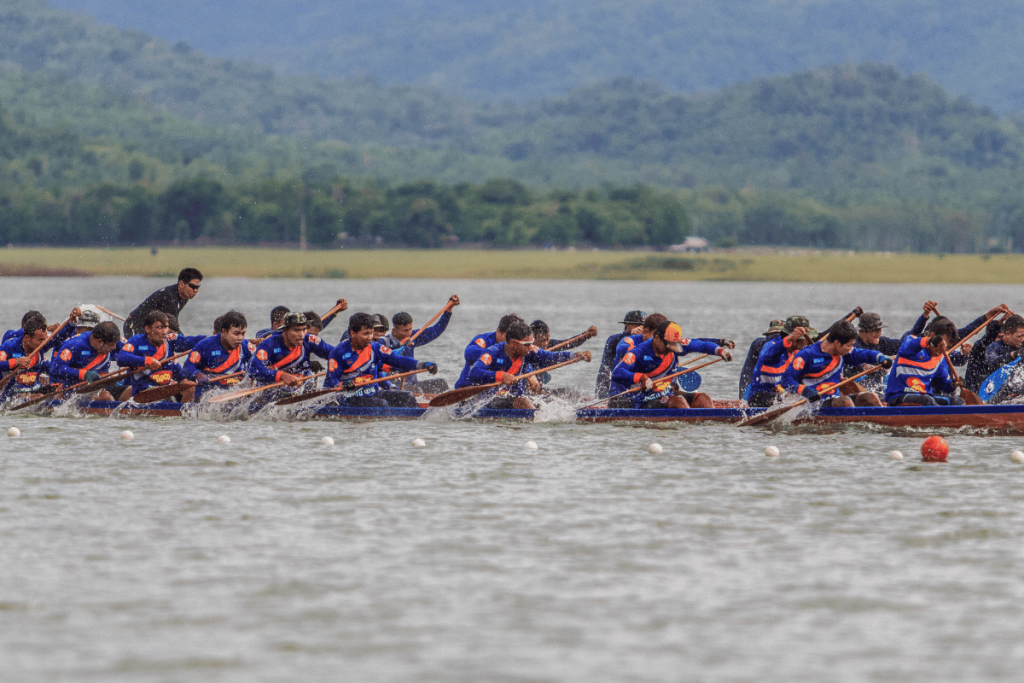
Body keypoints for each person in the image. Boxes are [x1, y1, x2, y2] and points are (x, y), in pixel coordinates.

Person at [467, 320, 590, 410]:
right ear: (512, 343)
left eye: (531, 343)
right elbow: (474, 373)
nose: (531, 347)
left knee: (550, 400)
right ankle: (536, 422)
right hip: (490, 400)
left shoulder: (528, 351)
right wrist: (500, 376)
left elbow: (550, 357)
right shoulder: (493, 352)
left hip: (516, 397)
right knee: (521, 401)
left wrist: (575, 356)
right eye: (526, 344)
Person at [323, 312, 437, 408]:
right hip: (349, 396)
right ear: (352, 333)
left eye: (371, 333)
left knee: (407, 396)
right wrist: (354, 384)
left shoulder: (375, 347)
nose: (370, 337)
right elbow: (332, 383)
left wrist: (422, 365)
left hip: (372, 393)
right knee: (381, 404)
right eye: (366, 334)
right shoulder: (338, 352)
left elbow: (397, 359)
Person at [611, 320, 732, 409]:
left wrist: (720, 351)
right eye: (668, 345)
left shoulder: (676, 344)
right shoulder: (638, 352)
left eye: (674, 345)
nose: (671, 350)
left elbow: (702, 345)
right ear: (657, 338)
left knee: (704, 398)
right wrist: (640, 377)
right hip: (643, 400)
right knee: (678, 402)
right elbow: (617, 373)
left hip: (667, 395)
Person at [781, 320, 890, 408]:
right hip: (813, 403)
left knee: (871, 397)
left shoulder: (844, 352)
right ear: (837, 343)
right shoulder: (806, 355)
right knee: (846, 402)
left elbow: (865, 354)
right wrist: (804, 390)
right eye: (849, 345)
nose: (851, 348)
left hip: (834, 400)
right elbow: (786, 379)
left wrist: (881, 359)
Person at [378, 295, 460, 392]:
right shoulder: (383, 342)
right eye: (405, 330)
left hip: (412, 386)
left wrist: (448, 310)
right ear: (395, 330)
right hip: (392, 388)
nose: (408, 333)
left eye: (410, 329)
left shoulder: (413, 336)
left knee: (441, 384)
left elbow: (437, 330)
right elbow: (383, 359)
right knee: (410, 392)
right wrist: (400, 345)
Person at [115, 311, 196, 402]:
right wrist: (147, 361)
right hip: (140, 390)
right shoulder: (137, 341)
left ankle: (183, 413)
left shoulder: (169, 344)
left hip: (161, 388)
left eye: (166, 327)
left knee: (191, 388)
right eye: (160, 327)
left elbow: (193, 341)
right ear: (147, 329)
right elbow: (121, 358)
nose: (165, 332)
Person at [884, 316, 963, 406]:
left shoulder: (940, 358)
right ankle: (941, 418)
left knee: (957, 401)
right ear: (932, 336)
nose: (942, 350)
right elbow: (910, 343)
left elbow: (942, 384)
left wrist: (953, 384)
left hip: (924, 396)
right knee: (927, 400)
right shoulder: (910, 343)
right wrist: (929, 341)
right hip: (899, 396)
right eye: (940, 345)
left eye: (946, 347)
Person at [0, 313, 80, 402]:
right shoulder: (9, 347)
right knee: (40, 397)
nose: (43, 343)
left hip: (33, 390)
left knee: (62, 389)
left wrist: (72, 322)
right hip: (11, 395)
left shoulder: (40, 345)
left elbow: (59, 336)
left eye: (44, 339)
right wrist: (16, 362)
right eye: (40, 340)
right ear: (27, 338)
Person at [249, 312, 333, 395]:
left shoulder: (310, 340)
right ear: (284, 330)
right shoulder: (269, 344)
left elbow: (336, 355)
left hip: (301, 387)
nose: (302, 334)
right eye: (297, 330)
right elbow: (253, 369)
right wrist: (281, 375)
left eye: (304, 329)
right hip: (272, 390)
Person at [180, 311, 254, 401]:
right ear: (224, 332)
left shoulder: (246, 346)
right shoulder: (205, 345)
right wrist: (197, 374)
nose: (240, 338)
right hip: (209, 395)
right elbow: (187, 367)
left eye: (243, 333)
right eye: (236, 333)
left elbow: (259, 364)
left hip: (236, 392)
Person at [743, 317, 816, 408]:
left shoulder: (796, 354)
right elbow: (765, 355)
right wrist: (789, 339)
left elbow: (789, 380)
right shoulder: (772, 344)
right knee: (786, 399)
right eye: (804, 338)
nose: (806, 341)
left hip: (779, 394)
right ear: (795, 339)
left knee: (812, 396)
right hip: (759, 397)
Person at [50, 321, 124, 402]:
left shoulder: (110, 339)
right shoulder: (74, 345)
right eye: (111, 345)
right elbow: (55, 369)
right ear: (99, 342)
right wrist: (83, 374)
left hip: (102, 385)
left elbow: (126, 352)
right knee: (105, 396)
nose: (114, 347)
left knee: (130, 390)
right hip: (75, 389)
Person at [124, 267, 203, 336]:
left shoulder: (184, 296)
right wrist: (186, 342)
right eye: (192, 286)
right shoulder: (170, 298)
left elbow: (172, 323)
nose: (195, 290)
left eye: (197, 287)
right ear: (181, 284)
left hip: (150, 327)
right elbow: (173, 327)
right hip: (134, 325)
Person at [454, 313, 524, 389]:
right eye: (509, 336)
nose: (512, 341)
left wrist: (531, 376)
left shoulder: (517, 347)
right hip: (467, 387)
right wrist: (494, 356)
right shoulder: (484, 340)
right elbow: (469, 354)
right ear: (498, 331)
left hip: (492, 391)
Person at [595, 310, 646, 398]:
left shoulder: (644, 342)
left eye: (644, 326)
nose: (642, 328)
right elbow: (614, 342)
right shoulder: (614, 339)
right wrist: (629, 334)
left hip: (630, 384)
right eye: (638, 325)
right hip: (608, 384)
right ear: (628, 325)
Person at [738, 319, 785, 399]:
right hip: (752, 391)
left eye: (780, 336)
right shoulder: (759, 344)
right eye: (775, 336)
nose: (777, 339)